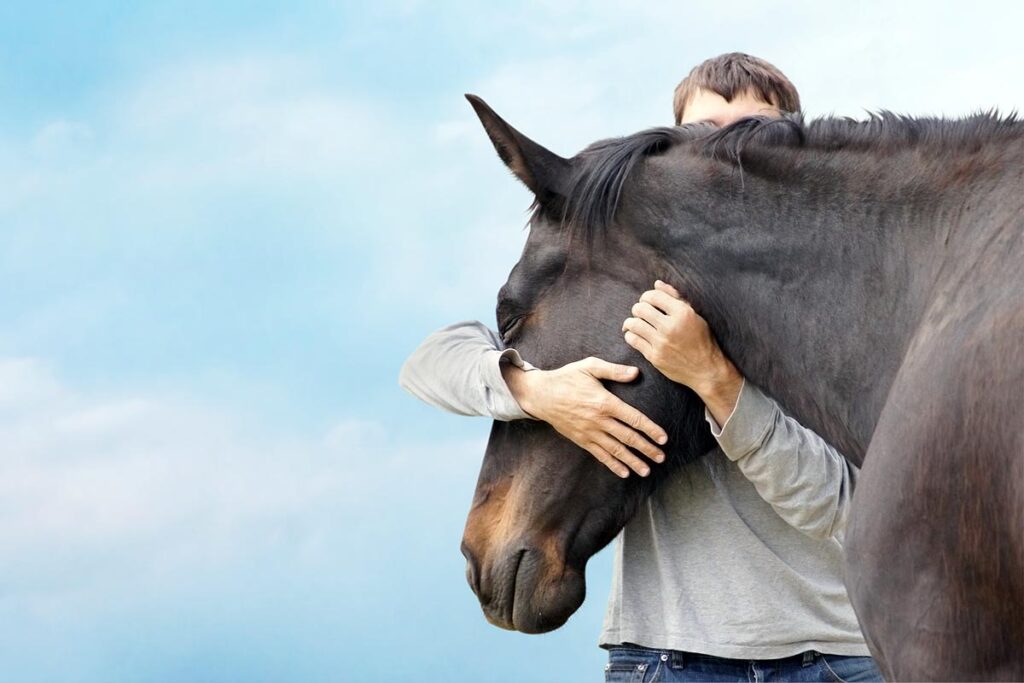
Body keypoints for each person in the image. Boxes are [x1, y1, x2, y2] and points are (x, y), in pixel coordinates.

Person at [400, 53, 883, 682]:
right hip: (664, 657)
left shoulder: (837, 311)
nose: (728, 150)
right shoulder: (627, 290)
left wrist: (713, 378)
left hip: (836, 662)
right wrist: (536, 389)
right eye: (706, 130)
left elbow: (843, 510)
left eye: (755, 131)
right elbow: (428, 362)